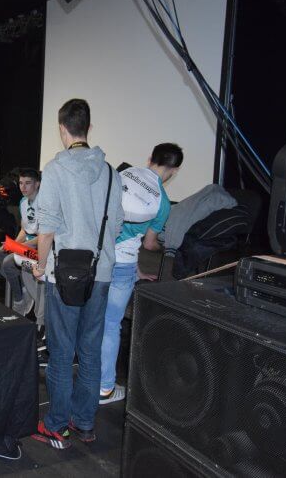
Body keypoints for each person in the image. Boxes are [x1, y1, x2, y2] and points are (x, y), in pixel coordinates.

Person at [30, 98, 124, 449]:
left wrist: (41, 265)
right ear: (88, 128)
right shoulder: (111, 173)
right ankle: (84, 423)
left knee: (60, 351)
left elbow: (47, 229)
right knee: (90, 350)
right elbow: (116, 225)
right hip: (101, 272)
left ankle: (56, 423)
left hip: (64, 275)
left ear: (62, 129)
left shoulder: (55, 170)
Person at [99, 143, 183, 405]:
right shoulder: (163, 203)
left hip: (99, 257)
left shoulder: (124, 174)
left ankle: (87, 376)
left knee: (91, 317)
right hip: (122, 265)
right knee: (111, 325)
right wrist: (164, 246)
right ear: (174, 171)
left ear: (149, 159)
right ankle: (105, 388)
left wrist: (138, 272)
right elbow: (147, 243)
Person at [0, 168, 41, 312]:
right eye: (21, 183)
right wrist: (14, 244)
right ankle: (24, 288)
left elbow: (44, 237)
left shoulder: (43, 203)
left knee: (8, 262)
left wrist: (17, 247)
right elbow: (24, 229)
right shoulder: (23, 201)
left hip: (41, 249)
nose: (23, 187)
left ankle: (19, 300)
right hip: (28, 245)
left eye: (28, 183)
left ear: (37, 184)